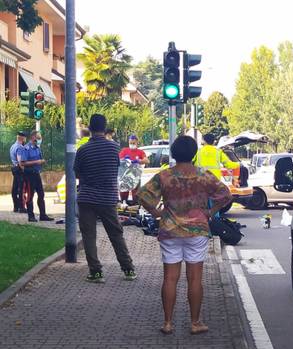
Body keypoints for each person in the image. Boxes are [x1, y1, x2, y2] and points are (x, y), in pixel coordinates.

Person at [138, 135, 232, 335]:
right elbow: (225, 194)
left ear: (173, 153)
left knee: (170, 278)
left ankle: (168, 323)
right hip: (197, 231)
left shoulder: (164, 176)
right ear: (194, 153)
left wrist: (157, 213)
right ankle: (195, 322)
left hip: (170, 230)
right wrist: (210, 211)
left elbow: (143, 195)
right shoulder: (204, 175)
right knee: (195, 279)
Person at [74, 114, 137, 283]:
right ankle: (128, 269)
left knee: (89, 235)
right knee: (116, 234)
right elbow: (116, 168)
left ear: (90, 128)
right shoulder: (114, 148)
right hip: (108, 198)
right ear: (104, 127)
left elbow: (77, 173)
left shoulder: (83, 150)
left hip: (87, 197)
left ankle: (95, 272)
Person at [18, 131, 53, 222]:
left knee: (41, 194)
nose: (40, 139)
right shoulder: (26, 148)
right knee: (30, 195)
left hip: (37, 174)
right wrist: (37, 162)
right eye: (38, 137)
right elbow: (23, 163)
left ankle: (43, 215)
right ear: (33, 137)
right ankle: (31, 216)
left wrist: (42, 162)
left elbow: (40, 159)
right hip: (29, 175)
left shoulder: (37, 148)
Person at [119, 134, 149, 202]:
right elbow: (119, 160)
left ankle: (135, 208)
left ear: (137, 142)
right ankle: (124, 207)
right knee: (123, 197)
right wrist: (125, 160)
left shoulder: (140, 152)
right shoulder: (124, 150)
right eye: (130, 143)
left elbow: (147, 161)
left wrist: (138, 161)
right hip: (125, 177)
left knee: (136, 197)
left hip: (136, 176)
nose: (132, 144)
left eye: (133, 143)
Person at [9, 131, 27, 213]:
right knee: (21, 189)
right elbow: (20, 161)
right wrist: (24, 170)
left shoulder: (13, 146)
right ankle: (21, 207)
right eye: (25, 137)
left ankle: (15, 207)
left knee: (15, 188)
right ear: (23, 138)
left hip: (14, 168)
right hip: (19, 169)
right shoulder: (20, 147)